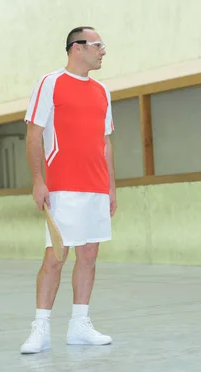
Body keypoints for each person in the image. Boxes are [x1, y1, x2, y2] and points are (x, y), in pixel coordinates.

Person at [20, 26, 117, 354]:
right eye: (98, 45)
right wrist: (38, 180)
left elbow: (105, 143)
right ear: (77, 48)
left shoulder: (103, 91)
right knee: (56, 257)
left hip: (96, 189)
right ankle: (40, 327)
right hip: (63, 188)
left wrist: (111, 187)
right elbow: (34, 134)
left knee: (89, 255)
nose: (103, 51)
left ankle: (80, 324)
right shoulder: (51, 83)